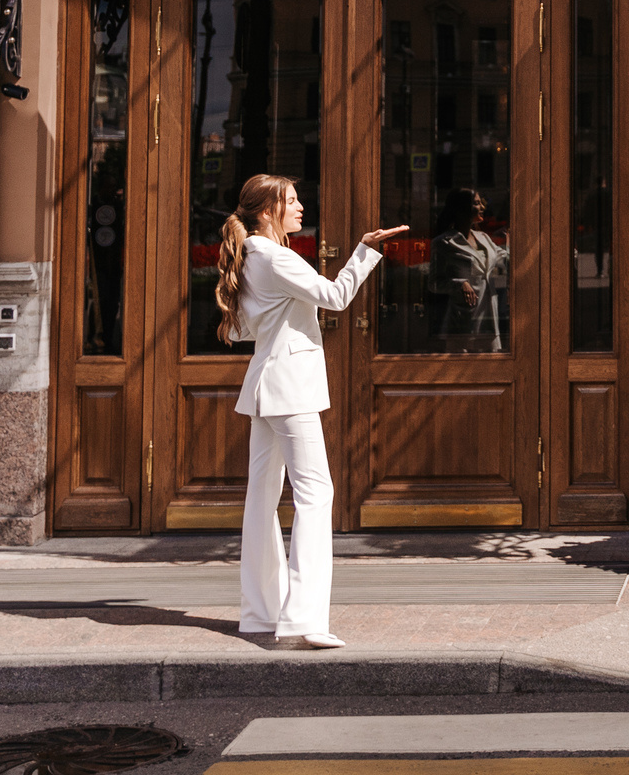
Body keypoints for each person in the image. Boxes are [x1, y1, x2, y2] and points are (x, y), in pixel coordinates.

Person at [214, 173, 407, 650]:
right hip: (290, 388)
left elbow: (241, 331)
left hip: (266, 385)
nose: (301, 207)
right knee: (316, 494)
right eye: (292, 201)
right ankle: (302, 619)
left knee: (262, 499)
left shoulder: (252, 255)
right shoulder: (275, 257)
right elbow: (337, 297)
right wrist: (365, 251)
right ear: (266, 211)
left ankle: (260, 613)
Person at [429, 186, 507, 354]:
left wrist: (511, 241)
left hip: (489, 318)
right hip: (463, 320)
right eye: (477, 203)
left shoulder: (484, 238)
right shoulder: (443, 243)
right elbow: (434, 283)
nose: (482, 208)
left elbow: (504, 259)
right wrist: (460, 284)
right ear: (462, 207)